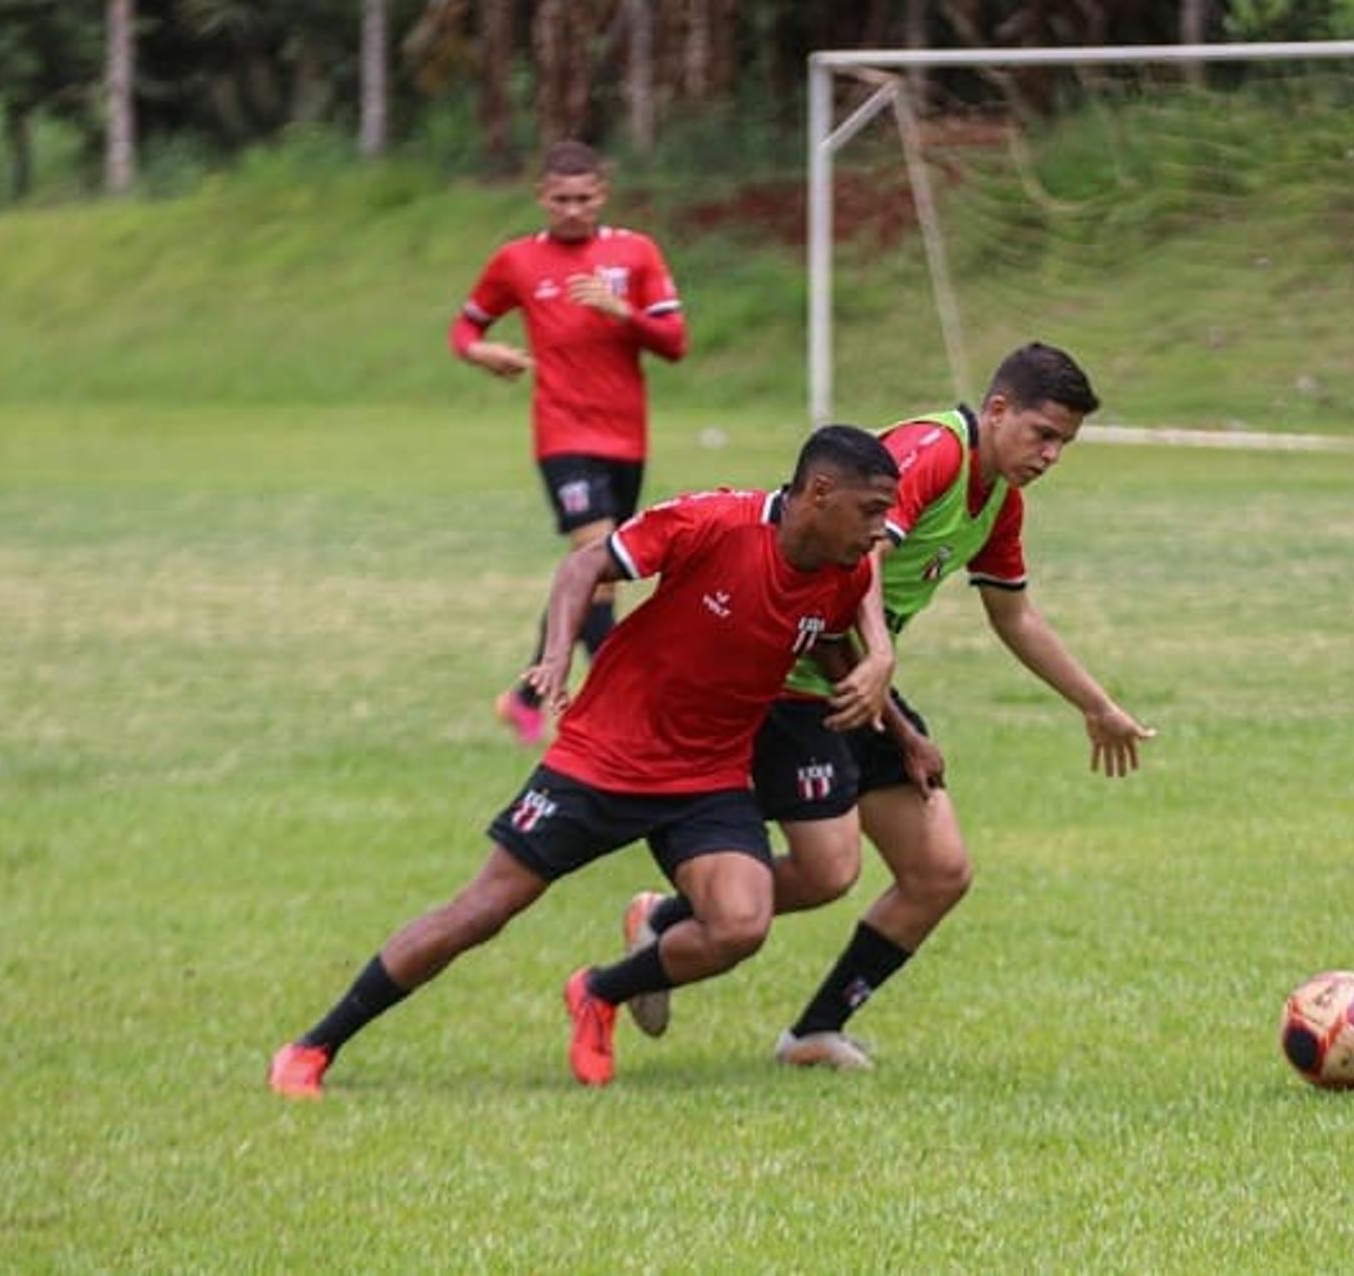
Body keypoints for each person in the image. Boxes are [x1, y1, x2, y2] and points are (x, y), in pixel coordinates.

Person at [266, 427, 899, 1099]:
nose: (882, 528)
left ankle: (598, 992)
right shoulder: (714, 521)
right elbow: (582, 566)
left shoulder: (844, 571)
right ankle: (313, 1046)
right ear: (820, 492)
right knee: (483, 908)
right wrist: (557, 654)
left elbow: (830, 644)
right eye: (871, 509)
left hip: (709, 774)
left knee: (741, 924)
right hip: (605, 756)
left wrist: (902, 734)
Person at [618, 342, 1157, 1070]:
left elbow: (1015, 617)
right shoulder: (929, 452)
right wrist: (881, 655)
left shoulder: (999, 500)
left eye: (1066, 441)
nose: (1053, 453)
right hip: (794, 676)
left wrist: (1097, 706)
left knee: (939, 870)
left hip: (858, 684)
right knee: (828, 870)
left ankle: (809, 1031)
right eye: (1044, 434)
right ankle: (662, 928)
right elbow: (860, 552)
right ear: (998, 410)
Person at [449, 139, 690, 744]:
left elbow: (675, 342)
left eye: (584, 198)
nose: (573, 210)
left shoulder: (634, 253)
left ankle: (526, 696)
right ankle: (628, 708)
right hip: (562, 435)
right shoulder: (516, 262)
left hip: (626, 437)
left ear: (602, 194)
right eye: (561, 199)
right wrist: (482, 353)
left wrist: (622, 312)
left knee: (602, 577)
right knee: (593, 559)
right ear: (542, 198)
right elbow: (465, 326)